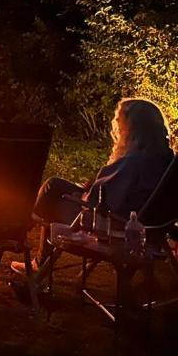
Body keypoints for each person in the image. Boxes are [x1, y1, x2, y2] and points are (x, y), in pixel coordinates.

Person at [13, 97, 175, 276]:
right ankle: (26, 226)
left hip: (114, 227)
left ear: (132, 130)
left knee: (52, 196)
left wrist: (80, 196)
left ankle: (26, 239)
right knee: (55, 185)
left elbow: (98, 201)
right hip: (150, 227)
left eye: (122, 126)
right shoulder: (168, 163)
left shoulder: (132, 163)